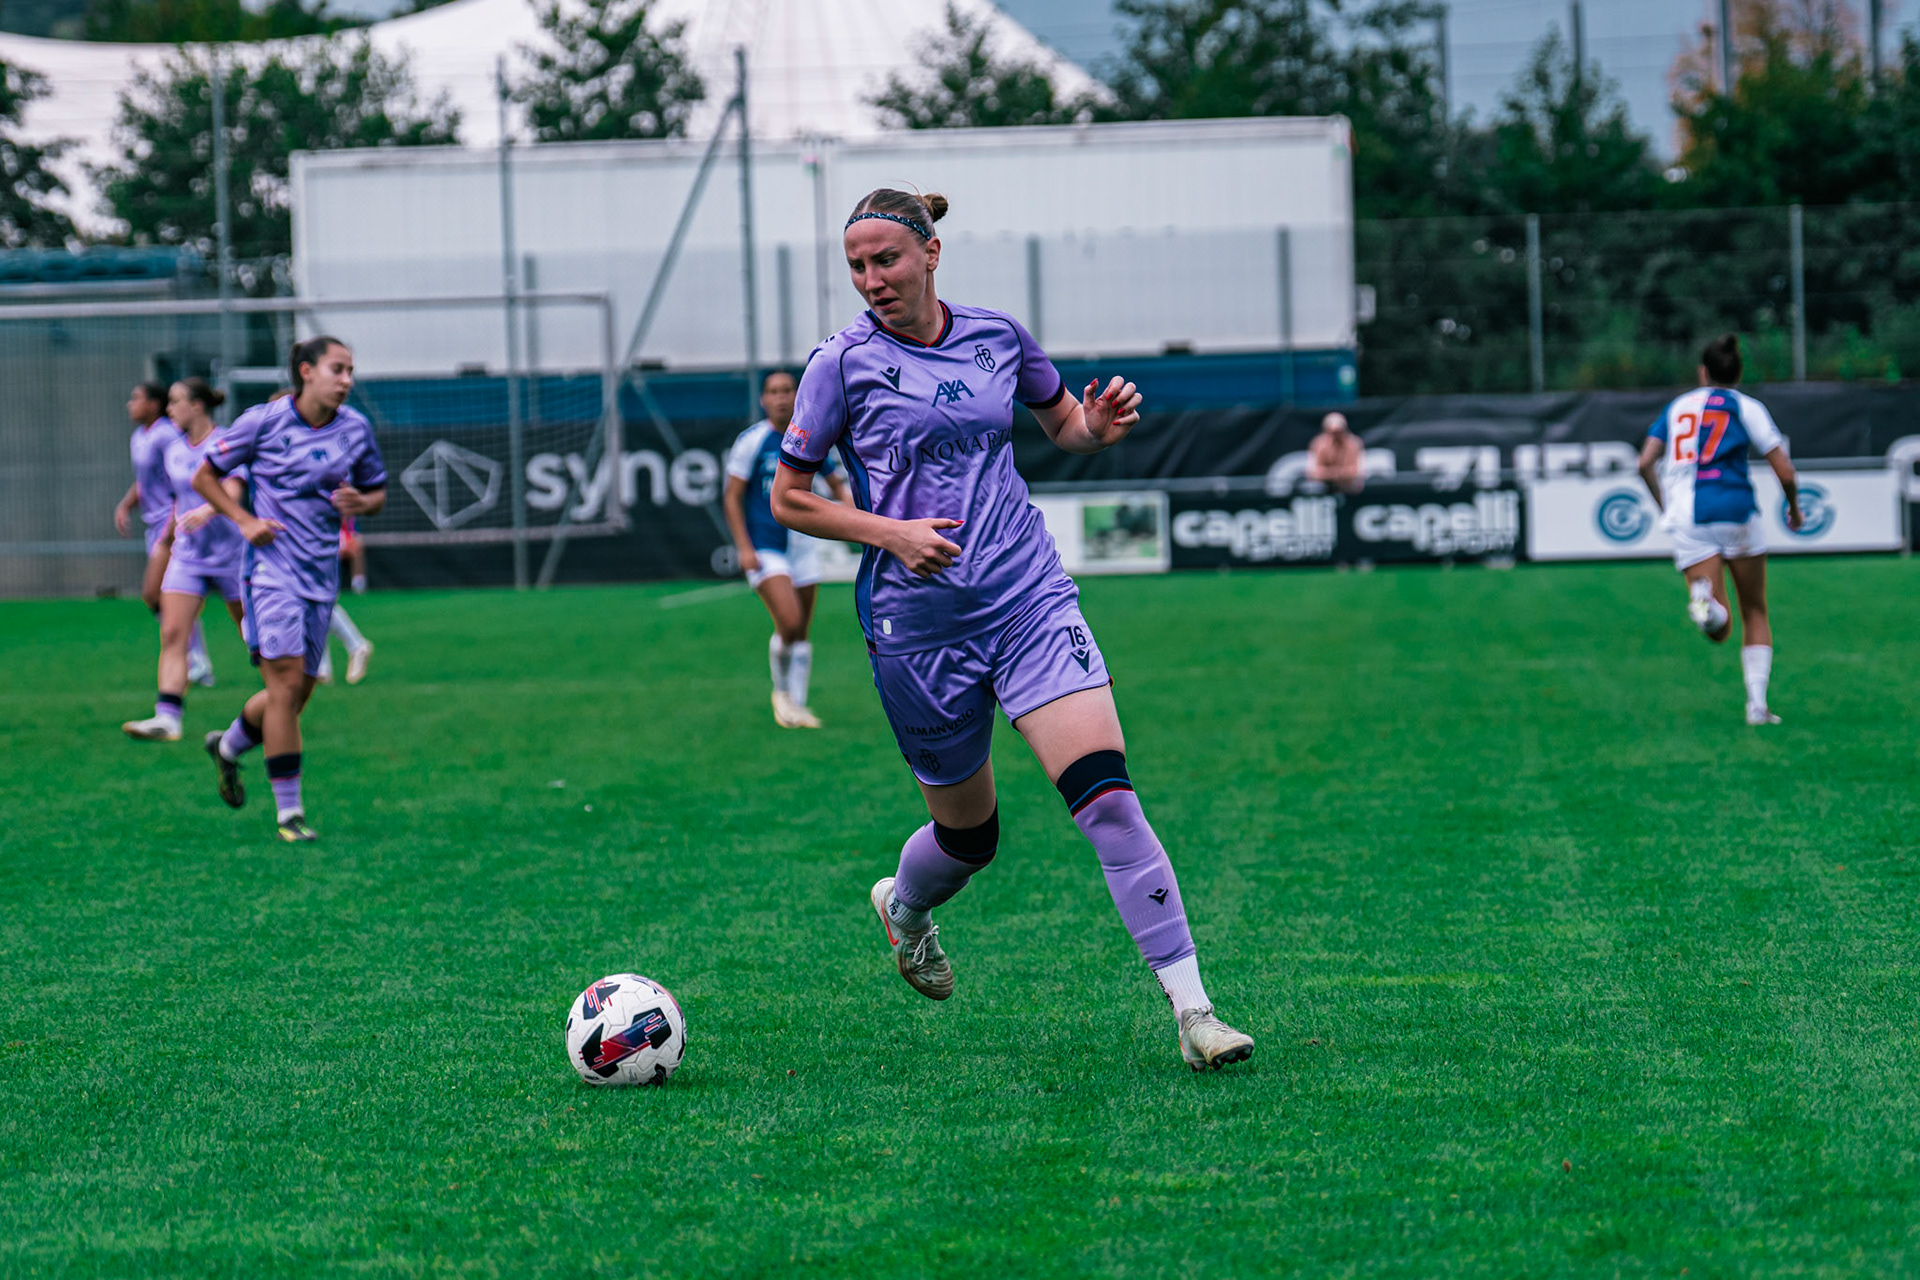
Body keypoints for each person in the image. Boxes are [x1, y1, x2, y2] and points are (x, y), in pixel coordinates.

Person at [770, 188, 1254, 1071]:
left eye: (888, 260)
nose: (872, 279)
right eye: (857, 265)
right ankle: (906, 911)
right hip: (916, 631)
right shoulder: (839, 365)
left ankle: (1194, 1012)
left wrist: (1094, 429)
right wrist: (892, 534)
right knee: (969, 839)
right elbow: (788, 497)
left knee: (1107, 800)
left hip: (1028, 600)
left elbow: (1061, 422)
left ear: (931, 254)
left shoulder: (997, 335)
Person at [191, 336, 387, 841]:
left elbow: (378, 493)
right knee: (281, 690)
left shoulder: (356, 429)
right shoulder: (264, 420)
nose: (347, 379)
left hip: (321, 580)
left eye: (350, 370)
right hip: (271, 575)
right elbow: (206, 476)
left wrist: (360, 504)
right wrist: (244, 521)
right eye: (337, 369)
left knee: (294, 697)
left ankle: (229, 747)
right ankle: (289, 814)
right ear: (306, 371)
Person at [1638, 333, 1803, 725]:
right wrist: (1794, 507)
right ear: (1738, 371)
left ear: (1702, 371)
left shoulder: (1677, 407)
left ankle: (1706, 605)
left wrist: (1667, 506)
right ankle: (1757, 705)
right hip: (1736, 511)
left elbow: (1645, 462)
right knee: (1754, 610)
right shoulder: (1747, 407)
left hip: (1689, 518)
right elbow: (1784, 469)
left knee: (1718, 629)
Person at [723, 369, 854, 729]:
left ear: (797, 395)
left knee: (802, 631)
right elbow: (732, 498)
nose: (781, 397)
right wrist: (744, 547)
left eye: (787, 390)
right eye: (774, 391)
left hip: (803, 545)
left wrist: (856, 517)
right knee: (790, 621)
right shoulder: (752, 441)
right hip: (766, 548)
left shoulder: (806, 438)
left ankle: (797, 705)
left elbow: (836, 483)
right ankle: (781, 694)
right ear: (764, 399)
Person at [121, 380, 249, 740]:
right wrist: (167, 536)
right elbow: (178, 499)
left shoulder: (225, 441)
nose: (170, 409)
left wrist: (209, 510)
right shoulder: (174, 450)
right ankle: (168, 717)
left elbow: (234, 489)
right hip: (188, 555)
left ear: (197, 406)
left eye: (176, 402)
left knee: (252, 633)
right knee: (173, 632)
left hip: (231, 555)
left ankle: (285, 697)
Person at [113, 382, 214, 688]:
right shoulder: (139, 437)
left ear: (154, 404)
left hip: (177, 524)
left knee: (160, 593)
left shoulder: (166, 433)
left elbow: (181, 475)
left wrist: (174, 523)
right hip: (156, 524)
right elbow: (145, 481)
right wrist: (127, 504)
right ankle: (195, 660)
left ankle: (197, 660)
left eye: (137, 398)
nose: (131, 404)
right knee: (161, 596)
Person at [1305, 411, 1365, 494]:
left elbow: (1355, 472)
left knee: (1355, 486)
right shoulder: (1319, 444)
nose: (1336, 436)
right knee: (1313, 487)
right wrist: (1338, 473)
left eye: (1339, 432)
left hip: (1348, 486)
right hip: (1324, 486)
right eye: (1332, 432)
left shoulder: (1353, 444)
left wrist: (1330, 473)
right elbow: (1314, 473)